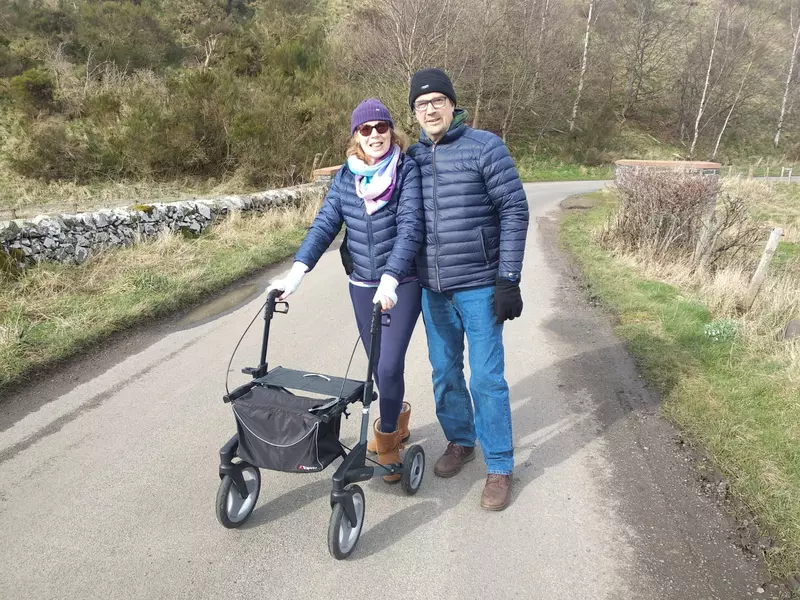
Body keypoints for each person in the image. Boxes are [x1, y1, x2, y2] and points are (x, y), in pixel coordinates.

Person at [267, 98, 424, 482]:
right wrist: (296, 274)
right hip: (360, 286)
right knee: (377, 366)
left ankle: (386, 439)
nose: (375, 135)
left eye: (381, 127)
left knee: (388, 365)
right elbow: (324, 227)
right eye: (366, 129)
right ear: (356, 135)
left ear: (392, 130)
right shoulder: (344, 178)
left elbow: (410, 228)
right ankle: (397, 417)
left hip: (400, 284)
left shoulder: (407, 171)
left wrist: (390, 278)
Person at [406, 68, 529, 510]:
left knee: (487, 378)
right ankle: (461, 440)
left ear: (453, 105)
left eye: (438, 100)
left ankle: (499, 465)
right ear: (414, 113)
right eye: (421, 104)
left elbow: (515, 210)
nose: (430, 109)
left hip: (479, 286)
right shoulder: (412, 159)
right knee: (443, 372)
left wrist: (508, 278)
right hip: (432, 289)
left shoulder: (485, 147)